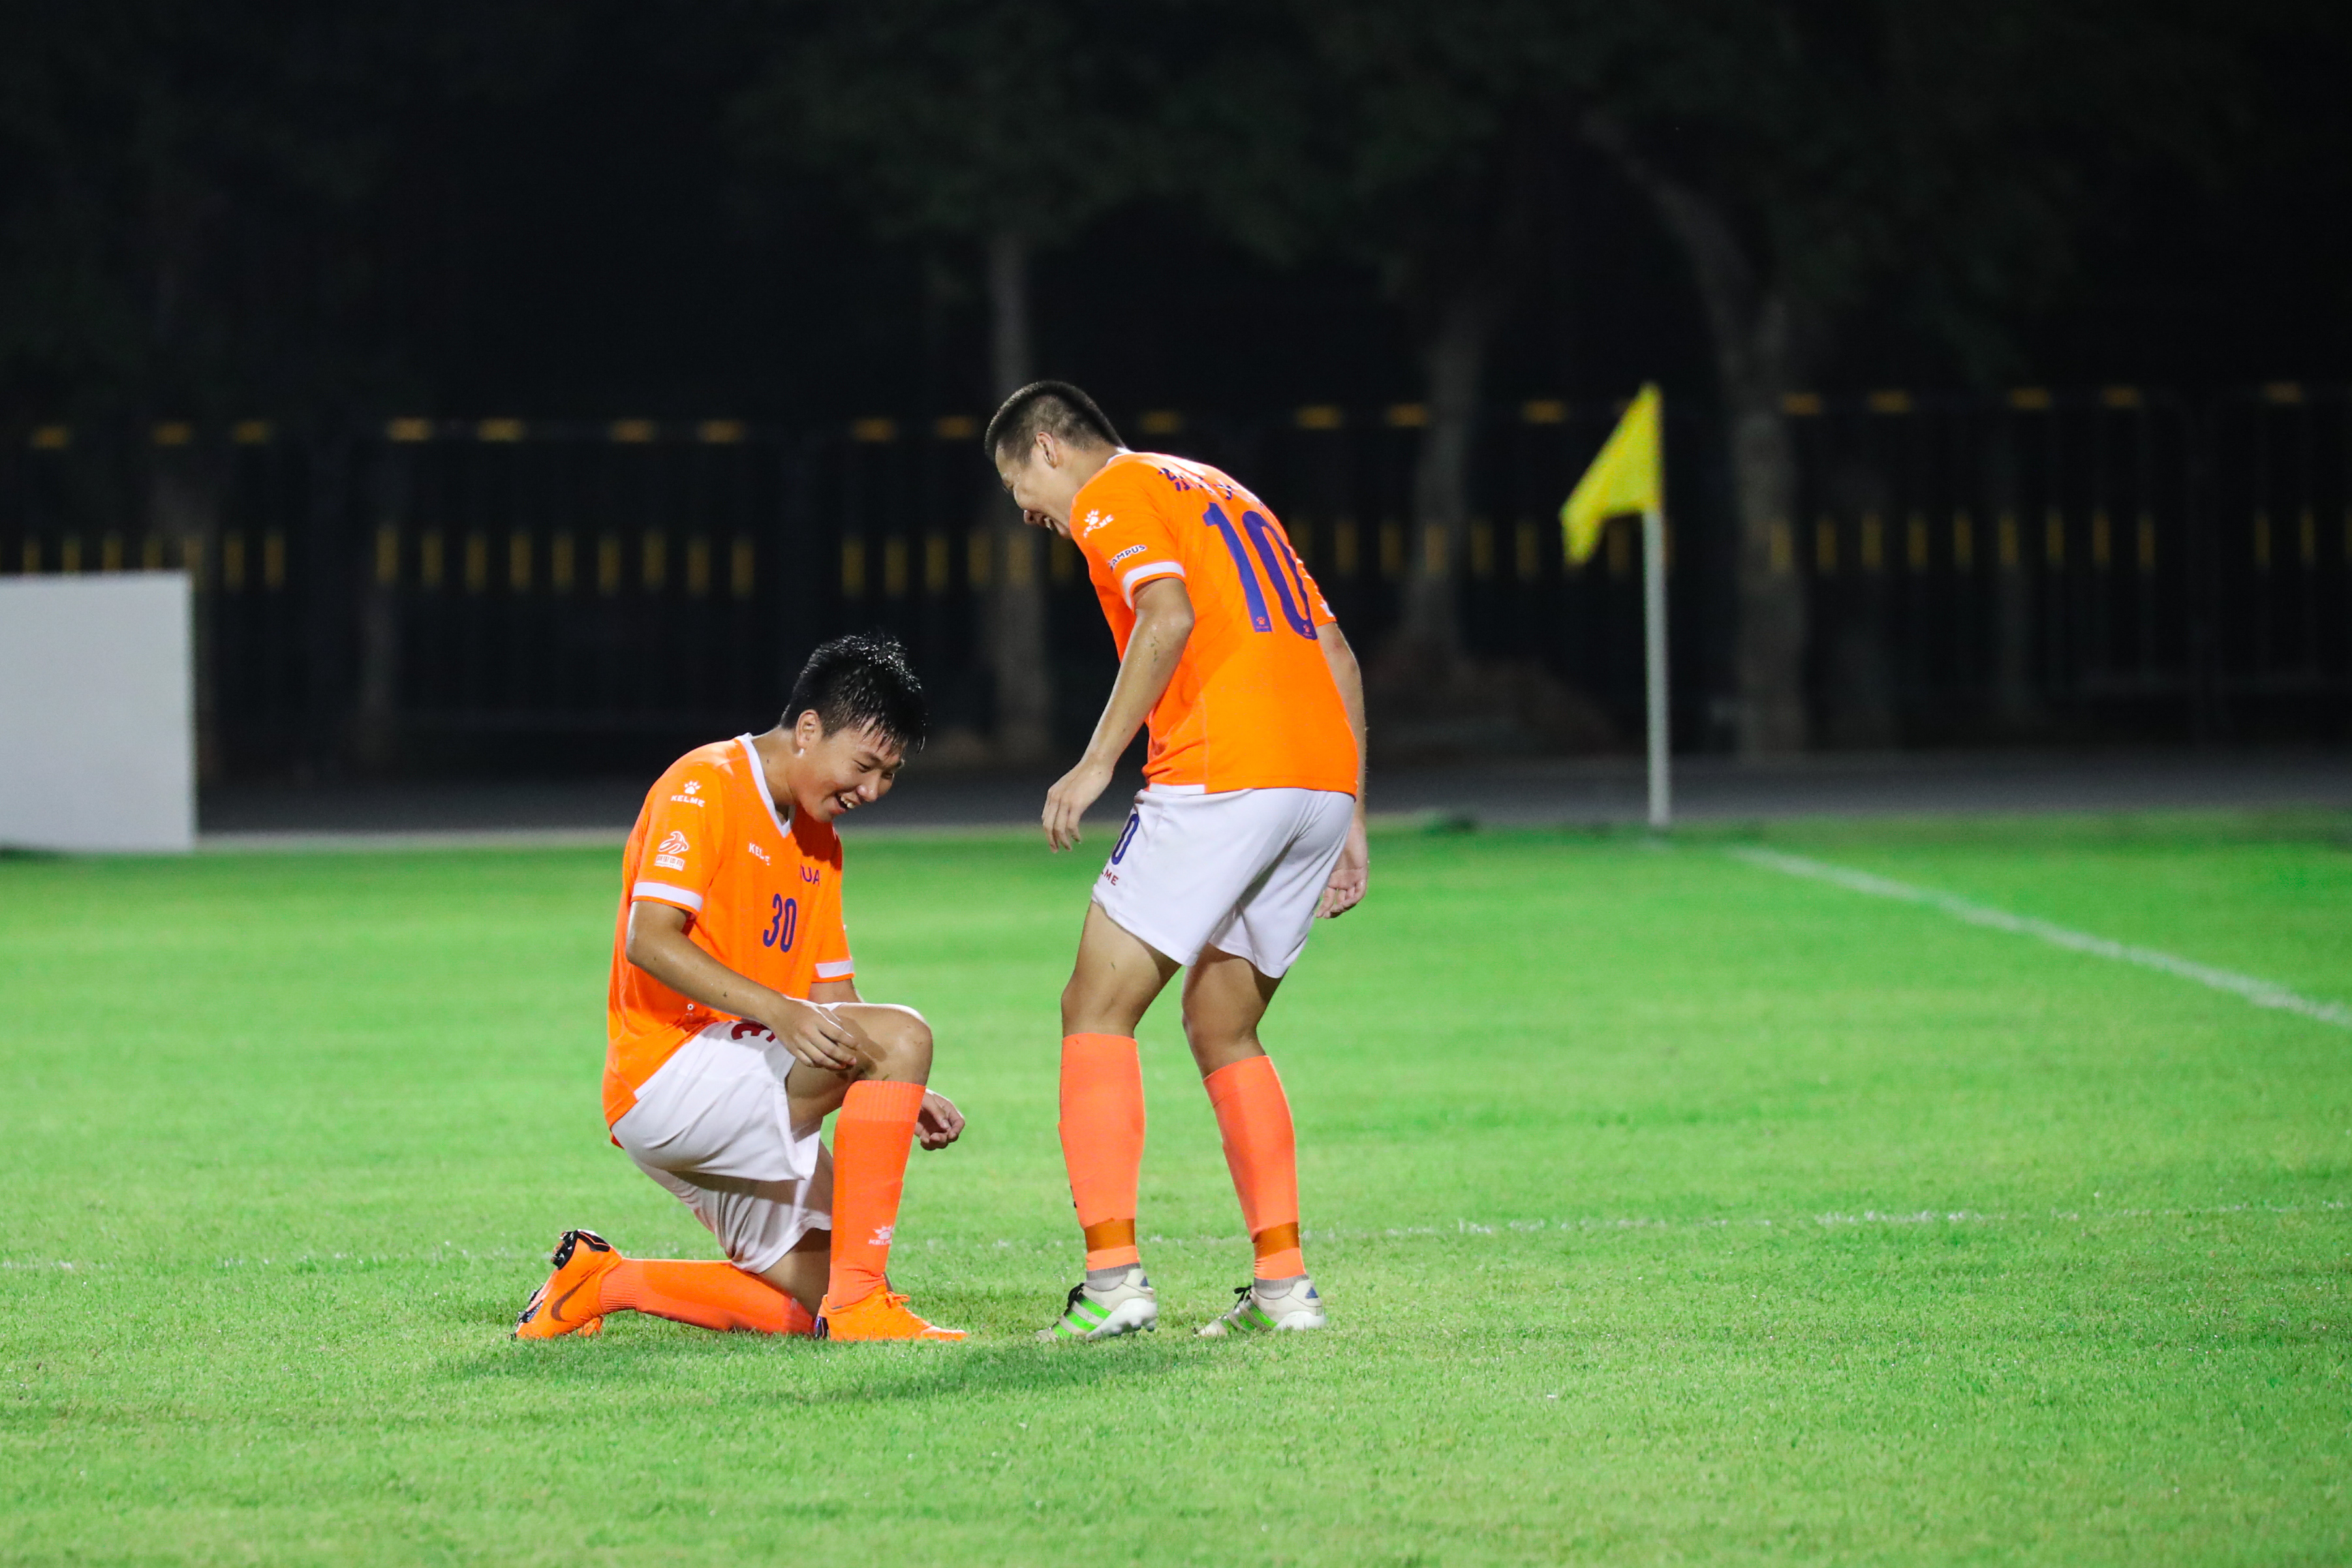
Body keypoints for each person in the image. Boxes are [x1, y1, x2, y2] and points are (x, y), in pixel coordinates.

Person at [986, 380, 1369, 1340]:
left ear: (1048, 446)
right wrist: (1351, 812)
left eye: (1017, 484)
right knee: (1223, 1022)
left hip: (1223, 772)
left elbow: (1167, 614)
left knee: (1095, 1006)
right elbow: (1336, 650)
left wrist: (1095, 762)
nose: (1026, 511)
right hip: (1317, 778)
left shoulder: (1113, 489)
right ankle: (1283, 1287)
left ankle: (1112, 1280)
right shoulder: (1225, 490)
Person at [513, 634, 968, 1344]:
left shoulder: (820, 840)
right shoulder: (704, 784)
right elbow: (649, 939)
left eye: (890, 774)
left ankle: (602, 1283)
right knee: (906, 1033)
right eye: (865, 765)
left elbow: (837, 997)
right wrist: (788, 1014)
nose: (873, 790)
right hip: (668, 1075)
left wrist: (898, 1084)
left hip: (738, 1078)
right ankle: (862, 1311)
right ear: (809, 729)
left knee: (814, 1300)